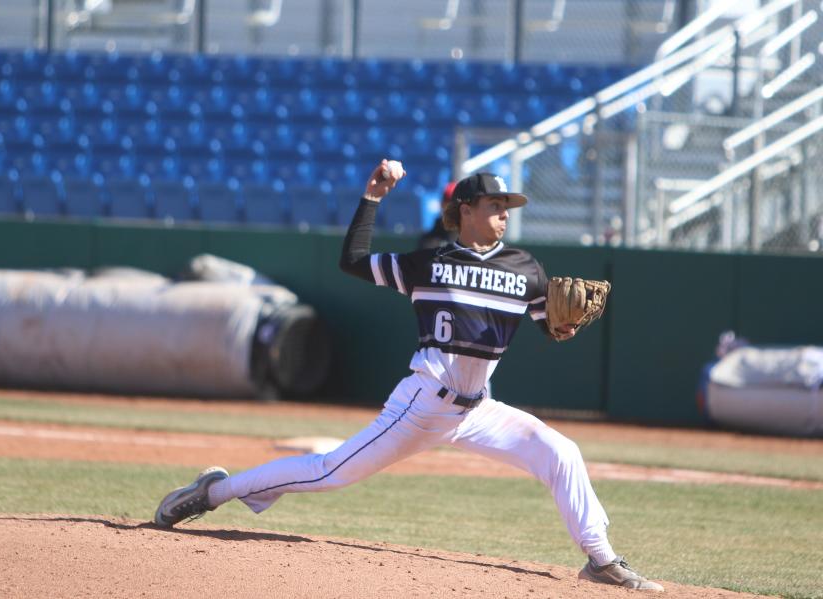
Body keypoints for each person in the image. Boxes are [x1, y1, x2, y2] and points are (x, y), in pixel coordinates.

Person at [153, 160, 664, 592]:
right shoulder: (429, 262)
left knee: (561, 452)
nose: (504, 214)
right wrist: (372, 198)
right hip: (422, 405)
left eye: (507, 207)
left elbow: (547, 325)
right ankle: (213, 491)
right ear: (465, 211)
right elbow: (353, 260)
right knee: (329, 471)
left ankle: (601, 560)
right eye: (494, 206)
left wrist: (565, 325)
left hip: (478, 409)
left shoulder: (525, 267)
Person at [417, 181, 458, 249]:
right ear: (442, 204)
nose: (455, 210)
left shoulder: (472, 237)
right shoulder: (430, 241)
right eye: (450, 204)